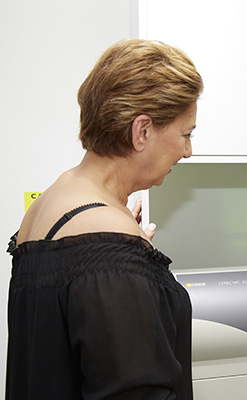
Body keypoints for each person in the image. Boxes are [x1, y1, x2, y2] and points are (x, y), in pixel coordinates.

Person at [6, 39, 203, 399]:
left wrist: (131, 255)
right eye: (186, 134)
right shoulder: (109, 245)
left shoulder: (48, 206)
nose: (188, 151)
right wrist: (127, 256)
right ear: (142, 131)